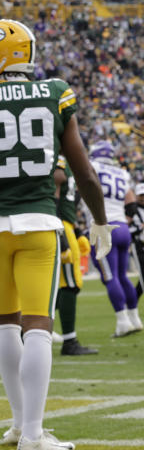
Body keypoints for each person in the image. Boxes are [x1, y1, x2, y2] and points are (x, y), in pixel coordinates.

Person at [0, 18, 112, 450]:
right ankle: (32, 434)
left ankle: (18, 423)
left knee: (6, 322)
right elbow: (83, 171)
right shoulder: (54, 92)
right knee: (38, 325)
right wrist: (98, 221)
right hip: (39, 225)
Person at [86, 141, 142, 336]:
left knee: (110, 277)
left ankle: (123, 321)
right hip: (123, 227)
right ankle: (135, 318)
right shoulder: (121, 173)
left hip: (103, 226)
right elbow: (131, 200)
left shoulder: (92, 166)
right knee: (122, 275)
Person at [53, 156, 97, 354]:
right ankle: (69, 341)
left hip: (66, 225)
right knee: (69, 284)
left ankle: (28, 330)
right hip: (59, 226)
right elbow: (53, 195)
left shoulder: (67, 163)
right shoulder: (58, 160)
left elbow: (67, 202)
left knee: (64, 285)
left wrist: (78, 231)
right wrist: (62, 234)